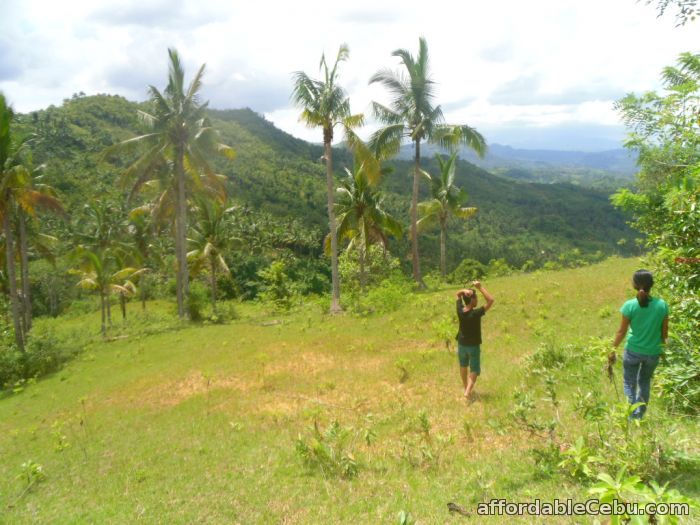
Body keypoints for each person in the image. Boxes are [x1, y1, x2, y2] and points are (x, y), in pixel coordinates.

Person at [612, 269, 669, 419]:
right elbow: (664, 334)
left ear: (634, 284)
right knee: (644, 382)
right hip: (653, 352)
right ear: (652, 285)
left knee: (629, 383)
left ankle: (630, 415)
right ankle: (639, 415)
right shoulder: (662, 305)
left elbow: (621, 332)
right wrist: (662, 351)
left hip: (633, 352)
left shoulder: (629, 305)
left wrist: (611, 350)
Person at [455, 280, 495, 401]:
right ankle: (467, 392)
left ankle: (466, 387)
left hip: (461, 344)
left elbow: (457, 295)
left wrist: (463, 291)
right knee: (474, 369)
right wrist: (480, 287)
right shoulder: (476, 313)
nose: (477, 299)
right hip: (473, 346)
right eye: (476, 298)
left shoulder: (460, 310)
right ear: (472, 301)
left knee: (463, 365)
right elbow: (491, 300)